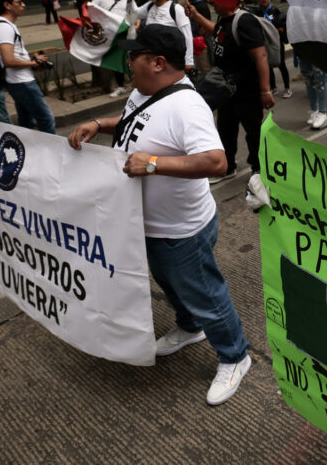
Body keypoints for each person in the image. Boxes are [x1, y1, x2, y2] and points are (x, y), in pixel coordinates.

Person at [67, 24, 252, 402]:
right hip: (148, 224)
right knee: (170, 283)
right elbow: (135, 125)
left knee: (205, 294)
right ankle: (188, 327)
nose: (128, 62)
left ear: (157, 62)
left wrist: (152, 164)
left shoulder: (187, 106)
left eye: (134, 56)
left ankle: (235, 355)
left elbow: (216, 162)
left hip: (182, 230)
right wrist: (99, 124)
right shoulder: (143, 92)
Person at [187, 0, 275, 182]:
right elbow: (217, 32)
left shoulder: (244, 21)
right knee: (225, 129)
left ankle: (259, 170)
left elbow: (261, 55)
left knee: (253, 131)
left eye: (216, 1)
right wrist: (196, 16)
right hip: (226, 89)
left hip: (247, 90)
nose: (212, 4)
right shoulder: (223, 19)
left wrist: (265, 90)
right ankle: (227, 167)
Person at [0, 0, 56, 134]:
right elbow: (8, 60)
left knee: (26, 121)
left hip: (18, 81)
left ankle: (27, 147)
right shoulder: (4, 28)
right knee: (46, 119)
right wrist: (33, 63)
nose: (23, 5)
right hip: (21, 82)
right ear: (7, 5)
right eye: (19, 2)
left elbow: (13, 55)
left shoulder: (6, 25)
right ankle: (51, 147)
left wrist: (32, 61)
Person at [275, 0, 327, 127]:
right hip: (303, 49)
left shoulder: (324, 2)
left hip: (319, 49)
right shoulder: (298, 1)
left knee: (320, 81)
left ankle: (323, 112)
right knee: (309, 80)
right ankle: (314, 110)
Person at [91, 0, 138, 97]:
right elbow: (90, 9)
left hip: (127, 34)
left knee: (131, 58)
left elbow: (135, 12)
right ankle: (121, 86)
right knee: (116, 60)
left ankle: (136, 84)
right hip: (111, 36)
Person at [136, 0, 194, 72]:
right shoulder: (150, 6)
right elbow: (134, 14)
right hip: (151, 58)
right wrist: (130, 0)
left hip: (169, 60)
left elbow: (187, 35)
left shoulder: (176, 9)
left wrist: (188, 61)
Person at [252, 0, 290, 98]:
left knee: (281, 64)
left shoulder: (275, 10)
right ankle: (273, 87)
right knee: (268, 65)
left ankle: (287, 88)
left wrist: (279, 29)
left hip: (276, 43)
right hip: (264, 43)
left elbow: (282, 25)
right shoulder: (257, 12)